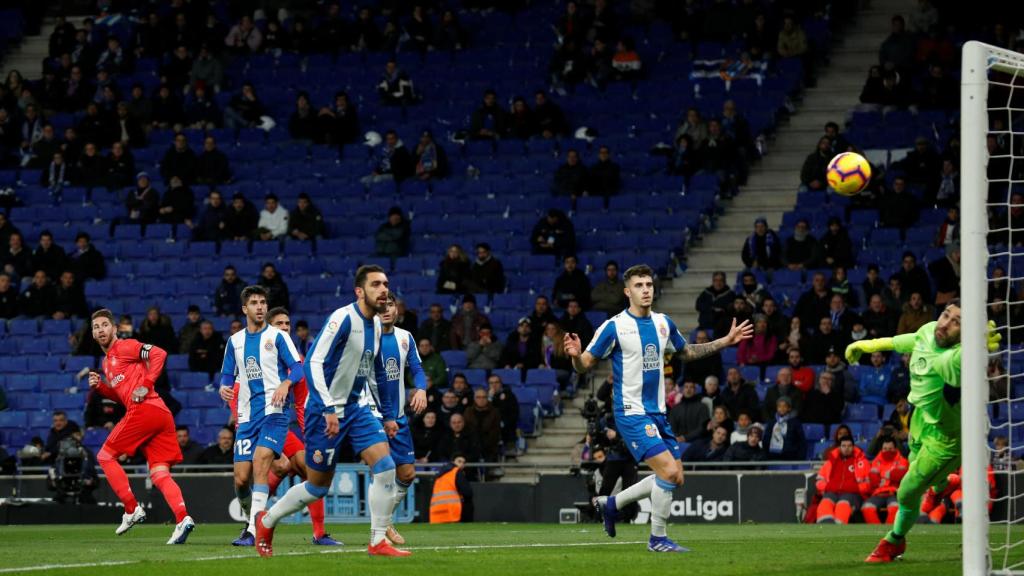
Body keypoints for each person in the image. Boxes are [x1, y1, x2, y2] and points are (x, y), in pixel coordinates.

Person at [566, 264, 752, 552]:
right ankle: (657, 539)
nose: (645, 290)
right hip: (631, 412)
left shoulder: (663, 323)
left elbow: (687, 352)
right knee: (667, 472)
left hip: (657, 413)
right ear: (627, 291)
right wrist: (576, 357)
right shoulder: (614, 326)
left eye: (649, 285)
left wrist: (725, 342)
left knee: (676, 475)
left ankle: (611, 504)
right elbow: (585, 364)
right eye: (639, 286)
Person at [255, 266, 411, 557]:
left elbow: (376, 369)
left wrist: (388, 415)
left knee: (386, 466)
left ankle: (377, 540)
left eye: (386, 284)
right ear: (359, 291)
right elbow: (313, 363)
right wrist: (328, 407)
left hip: (357, 409)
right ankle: (266, 521)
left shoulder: (377, 325)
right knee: (317, 487)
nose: (383, 289)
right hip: (323, 412)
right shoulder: (342, 318)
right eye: (376, 284)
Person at [851, 300, 1001, 562]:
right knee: (915, 467)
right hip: (920, 419)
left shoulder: (955, 359)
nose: (945, 324)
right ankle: (942, 484)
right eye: (946, 315)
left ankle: (894, 541)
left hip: (947, 440)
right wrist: (870, 345)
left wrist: (978, 347)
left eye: (957, 323)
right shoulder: (930, 330)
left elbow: (961, 360)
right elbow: (905, 341)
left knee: (907, 491)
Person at [229, 307, 339, 546]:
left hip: (279, 425)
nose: (285, 328)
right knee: (247, 477)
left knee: (308, 470)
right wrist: (240, 424)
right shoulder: (254, 352)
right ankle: (254, 522)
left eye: (288, 324)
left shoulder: (297, 362)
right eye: (279, 323)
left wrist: (310, 439)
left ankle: (318, 534)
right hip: (253, 421)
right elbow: (236, 391)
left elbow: (301, 405)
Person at [86, 309, 195, 543]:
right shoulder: (107, 363)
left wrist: (146, 384)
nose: (100, 330)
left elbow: (159, 354)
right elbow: (122, 397)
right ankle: (183, 518)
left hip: (145, 409)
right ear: (93, 334)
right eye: (96, 327)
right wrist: (101, 388)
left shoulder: (125, 346)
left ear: (114, 329)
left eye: (105, 325)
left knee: (105, 456)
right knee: (159, 473)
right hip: (159, 414)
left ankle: (131, 508)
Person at [217, 286, 304, 546]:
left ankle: (256, 531)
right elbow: (226, 374)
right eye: (254, 303)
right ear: (245, 308)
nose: (260, 307)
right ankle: (250, 518)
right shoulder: (235, 342)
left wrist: (286, 384)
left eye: (263, 302)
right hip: (246, 417)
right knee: (242, 479)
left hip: (274, 411)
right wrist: (223, 387)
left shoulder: (278, 337)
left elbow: (297, 368)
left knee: (261, 464)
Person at [366, 294, 427, 545]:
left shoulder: (405, 337)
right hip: (373, 415)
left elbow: (417, 369)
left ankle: (385, 519)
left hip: (399, 417)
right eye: (382, 306)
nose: (386, 309)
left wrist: (421, 388)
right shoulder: (367, 338)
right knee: (382, 473)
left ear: (397, 310)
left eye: (390, 305)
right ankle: (378, 534)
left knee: (407, 474)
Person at [815, 436, 870, 524]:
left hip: (853, 494)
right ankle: (825, 530)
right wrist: (829, 487)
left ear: (853, 447)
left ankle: (838, 531)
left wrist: (853, 488)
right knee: (825, 503)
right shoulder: (831, 462)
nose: (846, 448)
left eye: (849, 446)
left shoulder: (862, 462)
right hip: (832, 492)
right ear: (839, 447)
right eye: (843, 446)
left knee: (842, 504)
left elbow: (868, 484)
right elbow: (819, 481)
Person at [861, 438, 909, 525]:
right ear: (881, 449)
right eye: (885, 449)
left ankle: (888, 532)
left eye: (890, 449)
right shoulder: (876, 461)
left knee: (895, 507)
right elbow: (873, 480)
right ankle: (876, 531)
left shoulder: (902, 460)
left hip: (894, 493)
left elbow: (901, 475)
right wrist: (890, 475)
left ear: (895, 449)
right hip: (878, 493)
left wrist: (884, 475)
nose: (887, 451)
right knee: (866, 507)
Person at [762, 396, 806, 461]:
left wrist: (800, 457)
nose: (781, 408)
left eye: (784, 406)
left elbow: (801, 441)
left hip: (790, 456)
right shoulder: (772, 423)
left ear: (789, 408)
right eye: (779, 406)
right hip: (772, 456)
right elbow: (766, 439)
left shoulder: (795, 423)